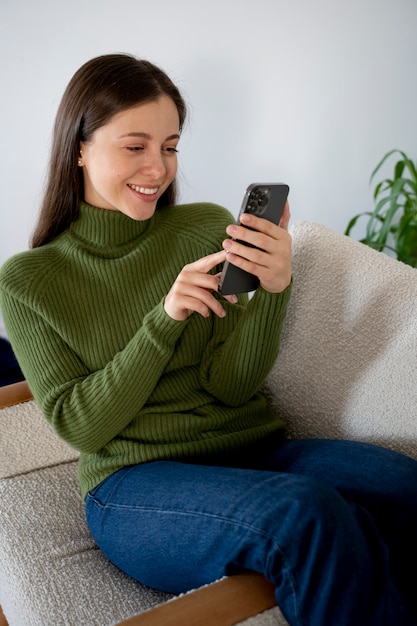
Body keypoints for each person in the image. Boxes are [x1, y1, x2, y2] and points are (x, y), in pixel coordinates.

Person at [0, 53, 416, 626]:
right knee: (306, 514)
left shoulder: (201, 227)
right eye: (135, 145)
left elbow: (231, 385)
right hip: (135, 486)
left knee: (401, 484)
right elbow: (83, 425)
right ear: (78, 146)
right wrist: (163, 320)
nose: (158, 167)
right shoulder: (29, 280)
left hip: (253, 452)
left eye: (170, 146)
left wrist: (274, 289)